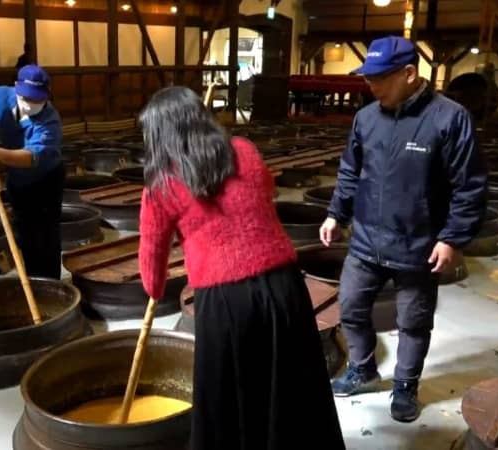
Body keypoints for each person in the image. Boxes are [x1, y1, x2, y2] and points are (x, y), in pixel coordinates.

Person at [138, 86, 345, 450]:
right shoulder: (243, 150)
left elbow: (152, 257)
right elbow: (265, 190)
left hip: (225, 301)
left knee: (230, 397)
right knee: (290, 385)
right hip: (283, 286)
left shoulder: (161, 186)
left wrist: (154, 286)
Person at [320, 36, 487, 422]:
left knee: (413, 322)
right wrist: (335, 215)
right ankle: (363, 368)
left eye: (379, 78)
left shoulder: (450, 119)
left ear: (409, 74)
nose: (371, 86)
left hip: (418, 246)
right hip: (366, 241)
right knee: (350, 306)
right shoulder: (366, 118)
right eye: (368, 78)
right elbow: (350, 171)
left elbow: (470, 186)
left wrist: (452, 238)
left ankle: (406, 385)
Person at [0, 65, 64, 279]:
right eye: (26, 98)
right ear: (16, 87)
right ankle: (33, 279)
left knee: (46, 237)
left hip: (46, 181)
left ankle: (50, 282)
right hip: (17, 179)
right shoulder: (0, 97)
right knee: (25, 233)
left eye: (37, 99)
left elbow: (30, 157)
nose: (31, 103)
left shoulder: (50, 120)